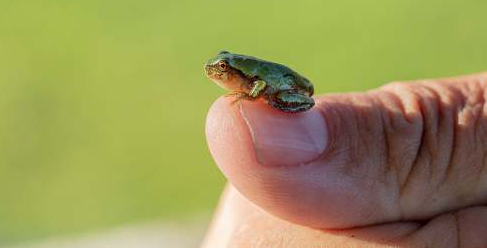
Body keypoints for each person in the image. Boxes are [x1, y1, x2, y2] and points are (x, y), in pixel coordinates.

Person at [201, 72, 487, 247]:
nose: (217, 71)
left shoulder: (253, 80)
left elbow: (261, 84)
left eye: (224, 68)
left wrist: (252, 98)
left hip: (289, 87)